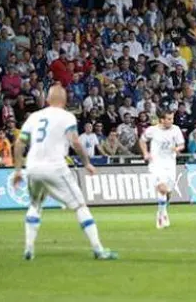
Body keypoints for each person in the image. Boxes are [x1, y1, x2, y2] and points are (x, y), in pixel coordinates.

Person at [11, 84, 117, 261]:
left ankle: (29, 248)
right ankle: (98, 249)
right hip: (55, 167)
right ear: (65, 100)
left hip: (33, 167)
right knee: (80, 206)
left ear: (47, 100)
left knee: (35, 205)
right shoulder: (67, 117)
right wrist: (87, 163)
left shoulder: (34, 117)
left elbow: (19, 143)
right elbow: (75, 142)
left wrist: (17, 170)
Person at [139, 110, 185, 230]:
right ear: (162, 120)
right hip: (156, 163)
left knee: (168, 192)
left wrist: (177, 148)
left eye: (172, 119)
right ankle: (161, 217)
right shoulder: (152, 130)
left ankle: (162, 211)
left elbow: (181, 144)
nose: (171, 121)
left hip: (170, 164)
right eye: (169, 119)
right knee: (162, 188)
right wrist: (145, 153)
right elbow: (142, 140)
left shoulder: (176, 129)